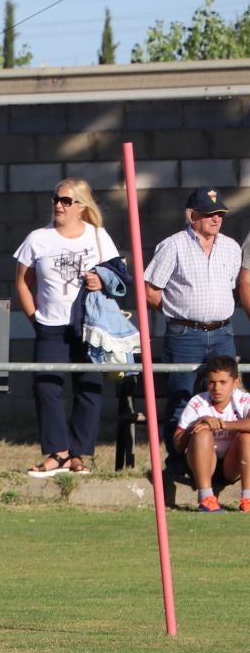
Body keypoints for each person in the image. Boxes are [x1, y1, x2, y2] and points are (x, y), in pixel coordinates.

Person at [13, 179, 121, 477]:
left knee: (89, 386)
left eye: (66, 201)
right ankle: (58, 452)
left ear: (81, 207)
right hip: (50, 325)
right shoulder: (38, 238)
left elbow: (117, 276)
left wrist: (101, 281)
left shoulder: (98, 236)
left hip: (89, 324)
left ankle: (78, 454)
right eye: (56, 199)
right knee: (46, 386)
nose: (58, 205)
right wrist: (35, 318)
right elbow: (22, 282)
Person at [144, 187, 245, 448]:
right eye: (209, 213)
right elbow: (150, 291)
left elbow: (233, 287)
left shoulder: (232, 247)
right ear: (192, 215)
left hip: (223, 333)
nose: (216, 219)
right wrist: (180, 313)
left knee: (230, 398)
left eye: (220, 214)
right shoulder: (173, 245)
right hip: (184, 335)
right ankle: (177, 461)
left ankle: (222, 458)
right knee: (182, 399)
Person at [172, 355, 250, 512]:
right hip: (202, 464)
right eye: (212, 382)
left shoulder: (244, 399)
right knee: (202, 433)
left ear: (235, 382)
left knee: (247, 437)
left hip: (233, 466)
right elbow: (178, 445)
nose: (216, 388)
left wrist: (223, 425)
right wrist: (197, 423)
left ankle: (247, 499)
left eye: (223, 382)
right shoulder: (197, 402)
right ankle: (206, 499)